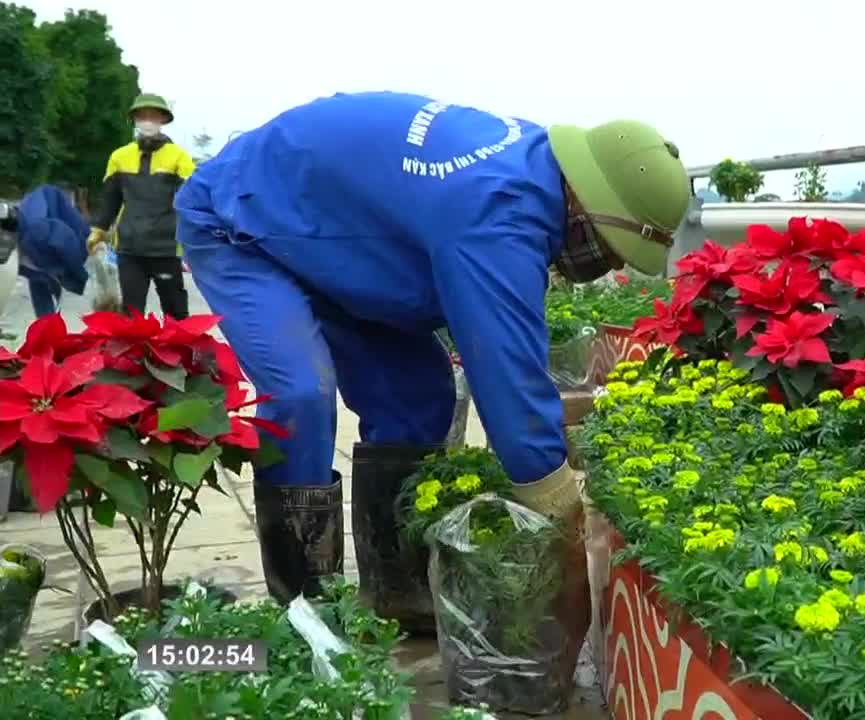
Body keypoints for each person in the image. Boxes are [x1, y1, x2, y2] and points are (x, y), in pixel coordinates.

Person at [174, 91, 690, 633]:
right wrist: (561, 513)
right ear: (587, 206)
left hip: (337, 235)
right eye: (608, 248)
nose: (603, 264)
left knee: (419, 399)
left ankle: (397, 590)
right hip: (242, 222)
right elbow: (510, 388)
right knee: (302, 391)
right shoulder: (498, 210)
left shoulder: (540, 171)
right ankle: (304, 608)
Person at [88, 93, 195, 319]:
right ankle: (133, 355)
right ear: (135, 119)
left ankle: (181, 353)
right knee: (130, 312)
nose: (147, 120)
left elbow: (192, 200)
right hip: (129, 247)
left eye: (153, 115)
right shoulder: (119, 157)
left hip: (166, 246)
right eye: (142, 115)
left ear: (163, 120)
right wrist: (98, 230)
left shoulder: (179, 157)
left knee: (175, 310)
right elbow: (110, 199)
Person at [0, 185, 90, 317]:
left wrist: (79, 275)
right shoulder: (16, 254)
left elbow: (67, 239)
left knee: (44, 270)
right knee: (38, 279)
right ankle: (46, 325)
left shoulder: (37, 231)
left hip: (74, 237)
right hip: (35, 248)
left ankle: (47, 324)